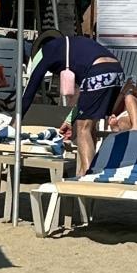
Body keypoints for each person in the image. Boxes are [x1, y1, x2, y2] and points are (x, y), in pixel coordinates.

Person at [22, 30, 123, 175]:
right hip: (117, 72)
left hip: (98, 72)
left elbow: (31, 89)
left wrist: (16, 119)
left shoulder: (45, 52)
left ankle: (87, 176)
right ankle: (84, 171)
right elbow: (82, 96)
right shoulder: (73, 48)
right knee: (89, 126)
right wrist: (70, 120)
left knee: (83, 128)